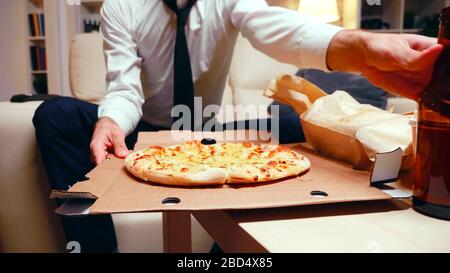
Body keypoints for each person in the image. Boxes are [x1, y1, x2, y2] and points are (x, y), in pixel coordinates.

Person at [33, 0, 443, 252]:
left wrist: (358, 47)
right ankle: (96, 250)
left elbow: (275, 29)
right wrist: (110, 118)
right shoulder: (120, 6)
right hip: (142, 131)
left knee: (288, 118)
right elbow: (123, 87)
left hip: (205, 135)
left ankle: (228, 250)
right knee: (55, 115)